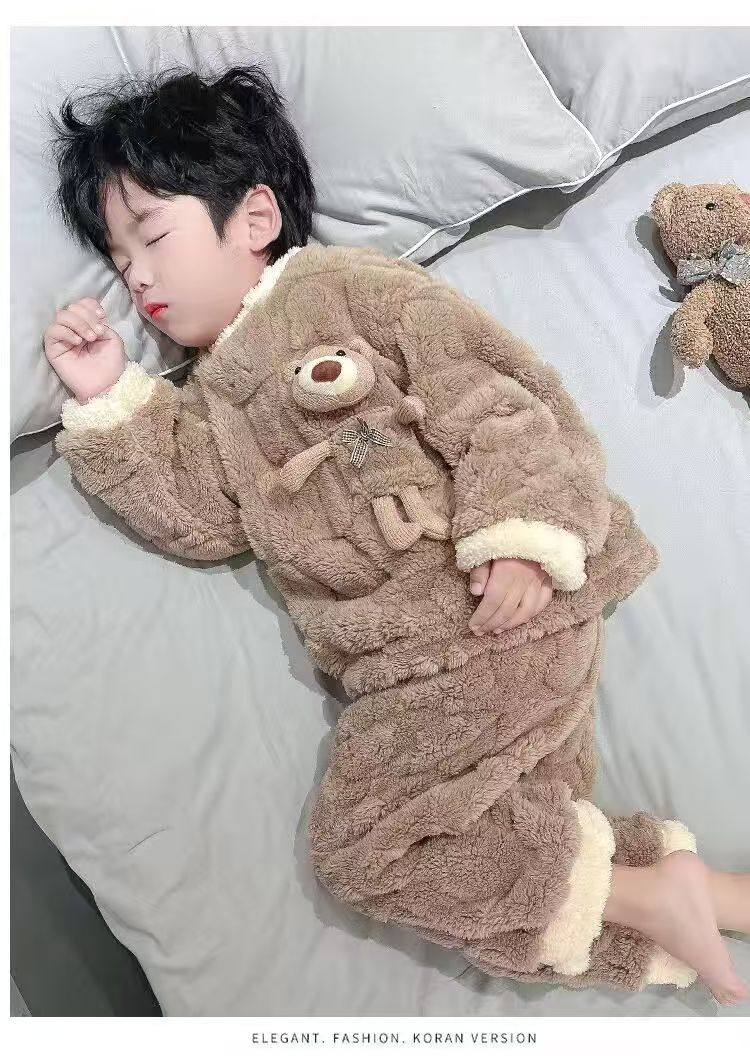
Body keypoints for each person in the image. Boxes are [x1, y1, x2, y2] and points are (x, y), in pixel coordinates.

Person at [43, 63, 749, 1006]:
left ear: (254, 219)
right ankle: (705, 897)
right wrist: (111, 401)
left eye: (153, 236)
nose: (136, 275)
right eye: (117, 256)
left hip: (486, 615)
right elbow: (200, 516)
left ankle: (653, 897)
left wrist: (521, 534)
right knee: (513, 839)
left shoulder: (349, 290)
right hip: (407, 666)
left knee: (369, 846)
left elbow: (496, 397)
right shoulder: (209, 401)